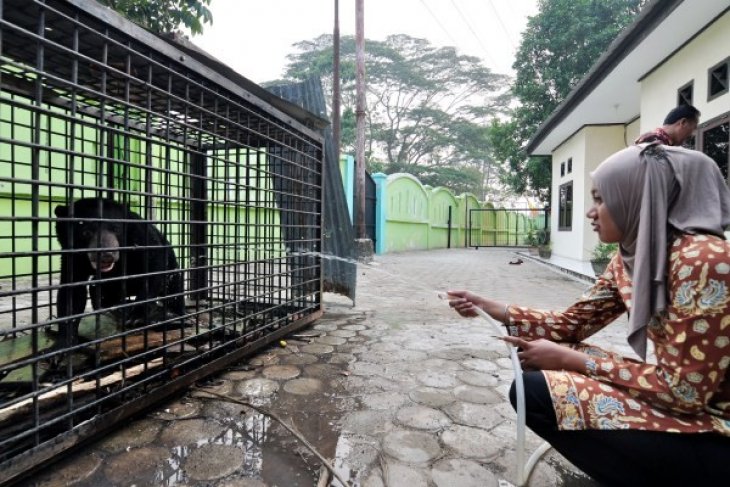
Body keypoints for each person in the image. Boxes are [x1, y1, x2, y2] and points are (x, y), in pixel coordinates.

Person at [448, 142, 730, 485]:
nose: (590, 212)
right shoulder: (629, 258)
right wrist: (487, 305)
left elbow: (685, 394)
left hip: (714, 424)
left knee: (538, 390)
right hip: (682, 398)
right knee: (551, 368)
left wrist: (569, 361)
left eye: (601, 198)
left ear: (637, 197)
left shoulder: (704, 260)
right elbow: (572, 324)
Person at [634, 104, 700, 146]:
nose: (692, 135)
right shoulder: (656, 143)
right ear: (683, 122)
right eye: (694, 128)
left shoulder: (657, 139)